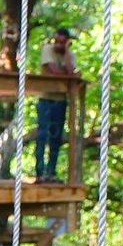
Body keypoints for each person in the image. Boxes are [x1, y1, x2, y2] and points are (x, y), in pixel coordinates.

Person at [34, 25, 77, 181]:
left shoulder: (70, 55)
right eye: (57, 42)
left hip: (61, 101)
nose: (58, 45)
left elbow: (71, 73)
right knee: (43, 134)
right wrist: (67, 73)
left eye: (62, 43)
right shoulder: (47, 49)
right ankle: (40, 173)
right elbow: (55, 72)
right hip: (45, 99)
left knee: (56, 137)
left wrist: (66, 53)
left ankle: (51, 173)